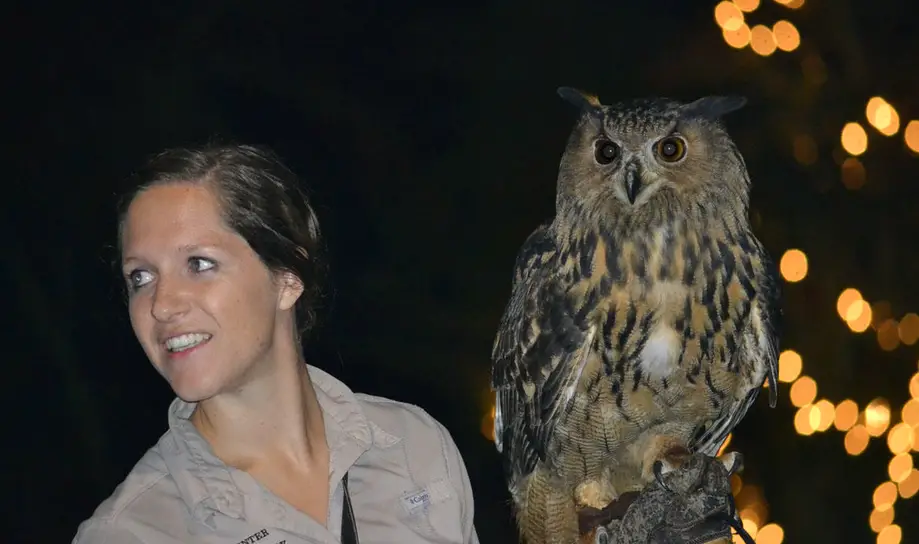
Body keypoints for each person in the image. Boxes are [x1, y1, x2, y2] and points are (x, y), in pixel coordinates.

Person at [73, 143, 480, 544]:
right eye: (140, 277)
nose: (161, 305)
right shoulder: (134, 531)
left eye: (199, 264)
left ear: (287, 278)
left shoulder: (412, 445)